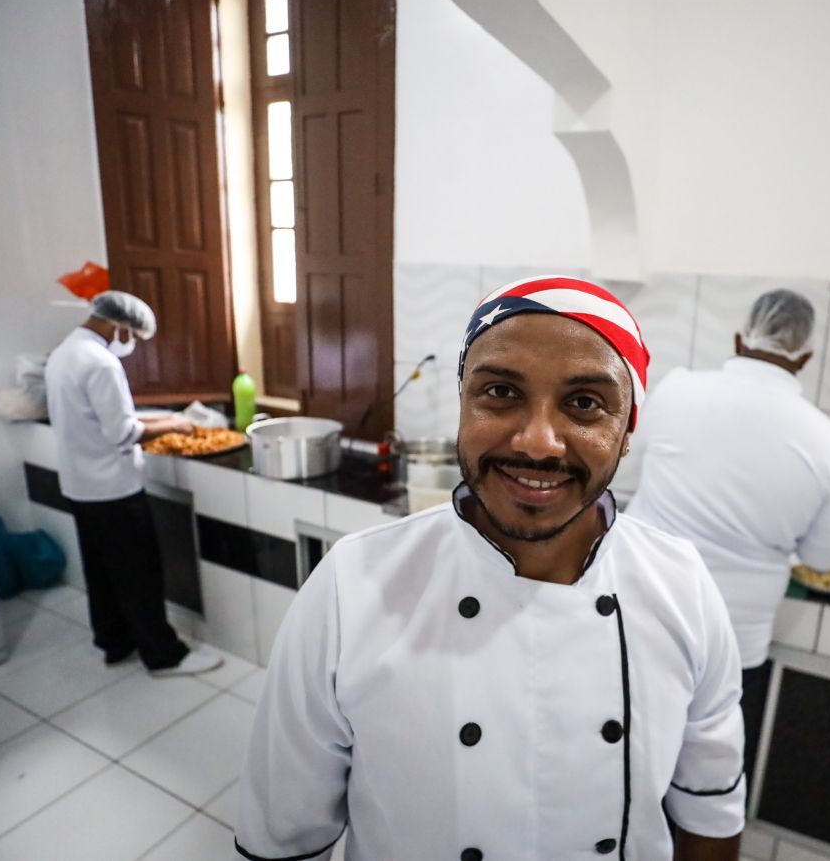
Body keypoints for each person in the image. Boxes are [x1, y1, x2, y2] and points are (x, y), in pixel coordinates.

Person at [236, 277, 745, 861]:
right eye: (501, 391)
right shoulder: (351, 587)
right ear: (462, 404)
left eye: (584, 403)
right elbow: (284, 836)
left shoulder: (682, 587)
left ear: (627, 430)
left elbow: (711, 812)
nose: (538, 443)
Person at [626, 288, 830, 790]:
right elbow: (823, 560)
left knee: (619, 765)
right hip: (732, 642)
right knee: (700, 784)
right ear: (806, 358)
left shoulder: (676, 391)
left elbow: (628, 453)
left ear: (739, 339)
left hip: (639, 612)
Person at [44, 290, 222, 676]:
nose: (131, 343)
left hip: (79, 485)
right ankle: (164, 655)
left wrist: (168, 420)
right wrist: (174, 425)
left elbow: (96, 419)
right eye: (133, 335)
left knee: (102, 572)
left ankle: (114, 642)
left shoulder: (63, 353)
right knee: (139, 574)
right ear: (118, 325)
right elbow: (122, 432)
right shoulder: (101, 363)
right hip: (113, 489)